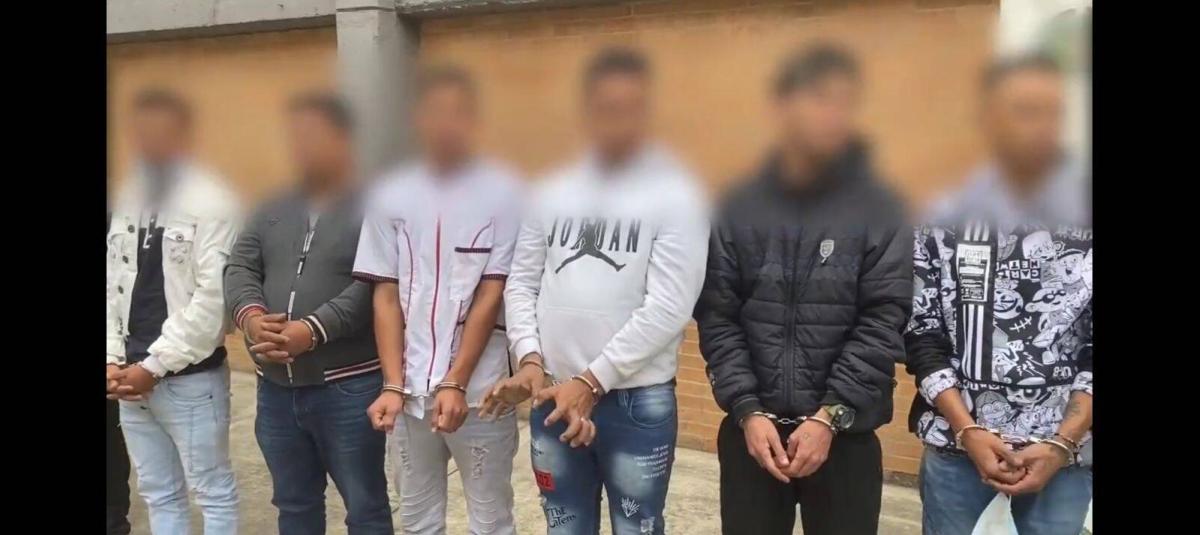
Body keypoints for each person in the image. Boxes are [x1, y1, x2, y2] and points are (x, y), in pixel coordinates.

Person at [479, 47, 709, 535]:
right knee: (564, 526)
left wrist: (591, 381)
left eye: (630, 109)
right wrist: (530, 359)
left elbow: (670, 306)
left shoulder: (678, 196)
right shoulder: (549, 191)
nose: (616, 122)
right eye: (605, 108)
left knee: (637, 527)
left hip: (635, 404)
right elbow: (522, 282)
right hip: (552, 395)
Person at [692, 43, 912, 535]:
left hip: (845, 436)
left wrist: (830, 416)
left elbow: (885, 318)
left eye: (840, 101)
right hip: (753, 436)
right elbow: (718, 314)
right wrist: (747, 410)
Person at [905, 54, 1092, 535]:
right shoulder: (942, 215)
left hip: (1063, 457)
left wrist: (1062, 442)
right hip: (957, 449)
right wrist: (967, 430)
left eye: (1053, 111)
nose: (1041, 126)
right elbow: (922, 334)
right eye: (1023, 110)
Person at [352, 66, 523, 535]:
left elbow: (491, 292)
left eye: (458, 112)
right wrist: (393, 384)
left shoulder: (505, 194)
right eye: (435, 111)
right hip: (408, 393)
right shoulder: (390, 195)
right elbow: (386, 294)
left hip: (481, 394)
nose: (446, 123)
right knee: (417, 519)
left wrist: (456, 382)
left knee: (491, 520)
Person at [223, 92, 393, 534]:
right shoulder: (272, 206)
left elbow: (377, 283)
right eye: (295, 136)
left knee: (366, 508)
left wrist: (312, 330)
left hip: (348, 387)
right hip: (275, 390)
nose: (301, 146)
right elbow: (240, 266)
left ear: (343, 139)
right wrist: (252, 318)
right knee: (294, 506)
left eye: (313, 135)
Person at [105, 88, 240, 535]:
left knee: (211, 492)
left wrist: (155, 365)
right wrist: (112, 357)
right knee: (158, 493)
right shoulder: (131, 198)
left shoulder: (213, 202)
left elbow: (213, 300)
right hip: (129, 377)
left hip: (189, 379)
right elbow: (112, 285)